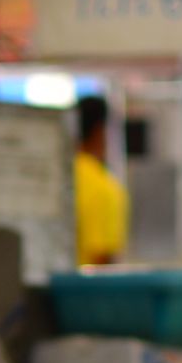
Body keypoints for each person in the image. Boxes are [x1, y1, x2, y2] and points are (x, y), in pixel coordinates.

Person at [73, 95, 129, 267]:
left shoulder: (57, 176)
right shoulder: (103, 187)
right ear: (101, 131)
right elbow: (102, 262)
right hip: (77, 291)